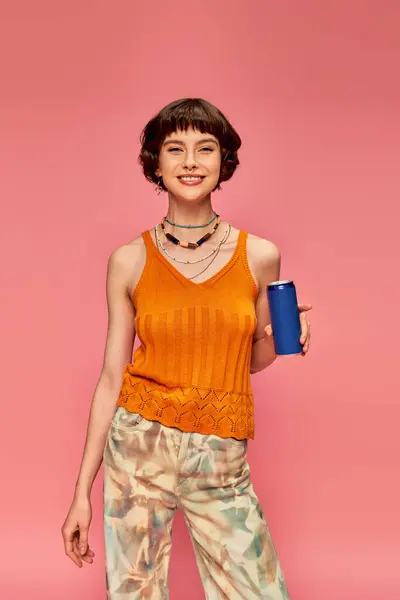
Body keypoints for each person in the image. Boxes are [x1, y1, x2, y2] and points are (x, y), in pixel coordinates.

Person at [61, 97, 312, 599]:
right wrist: (81, 493)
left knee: (259, 590)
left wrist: (286, 344)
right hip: (138, 446)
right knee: (135, 593)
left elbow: (250, 360)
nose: (191, 162)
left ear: (224, 162)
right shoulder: (129, 260)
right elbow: (112, 376)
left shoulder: (260, 255)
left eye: (205, 148)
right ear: (156, 163)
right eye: (175, 149)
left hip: (220, 453)